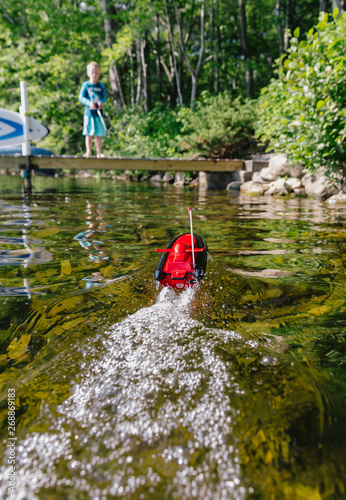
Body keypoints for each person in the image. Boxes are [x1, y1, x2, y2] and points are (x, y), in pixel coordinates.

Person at [78, 61, 107, 158]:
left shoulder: (101, 85)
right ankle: (88, 152)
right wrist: (89, 103)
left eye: (96, 72)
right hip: (88, 113)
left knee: (98, 134)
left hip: (98, 113)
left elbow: (104, 97)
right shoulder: (86, 85)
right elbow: (81, 97)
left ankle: (99, 152)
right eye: (92, 72)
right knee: (88, 133)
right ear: (88, 73)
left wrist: (101, 102)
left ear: (99, 74)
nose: (94, 75)